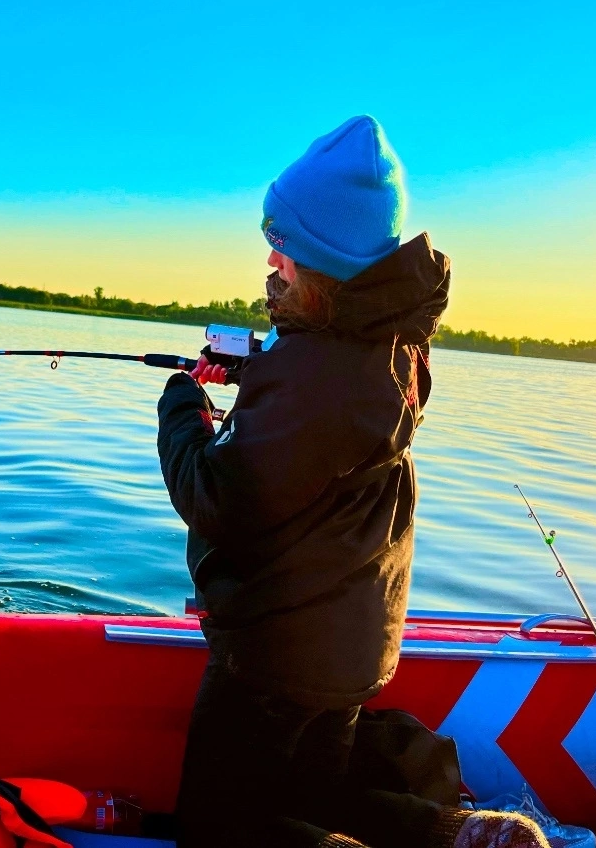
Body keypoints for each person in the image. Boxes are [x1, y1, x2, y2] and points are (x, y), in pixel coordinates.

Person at [157, 116, 547, 848]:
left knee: (216, 831)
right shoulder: (391, 349)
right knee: (314, 800)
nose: (273, 262)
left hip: (274, 659)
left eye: (288, 252)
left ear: (332, 267)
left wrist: (183, 403)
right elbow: (316, 433)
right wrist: (258, 378)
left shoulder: (313, 381)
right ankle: (453, 834)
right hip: (349, 648)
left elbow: (215, 497)